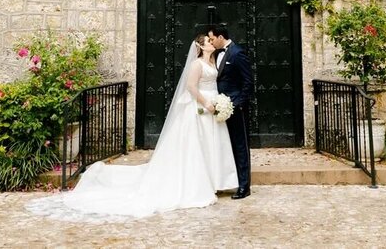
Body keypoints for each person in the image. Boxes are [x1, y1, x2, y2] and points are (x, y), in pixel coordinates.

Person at [26, 34, 237, 221]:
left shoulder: (215, 61)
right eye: (208, 41)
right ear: (200, 47)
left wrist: (218, 103)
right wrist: (206, 103)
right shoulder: (196, 64)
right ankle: (196, 184)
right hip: (199, 108)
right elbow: (191, 87)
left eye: (212, 40)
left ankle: (213, 179)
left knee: (210, 144)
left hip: (212, 107)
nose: (212, 42)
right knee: (195, 146)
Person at [207, 23, 254, 199]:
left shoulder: (237, 53)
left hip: (235, 107)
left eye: (212, 38)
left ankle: (244, 186)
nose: (211, 42)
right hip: (220, 108)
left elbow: (248, 82)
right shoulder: (216, 55)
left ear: (221, 37)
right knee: (226, 146)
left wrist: (238, 104)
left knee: (240, 146)